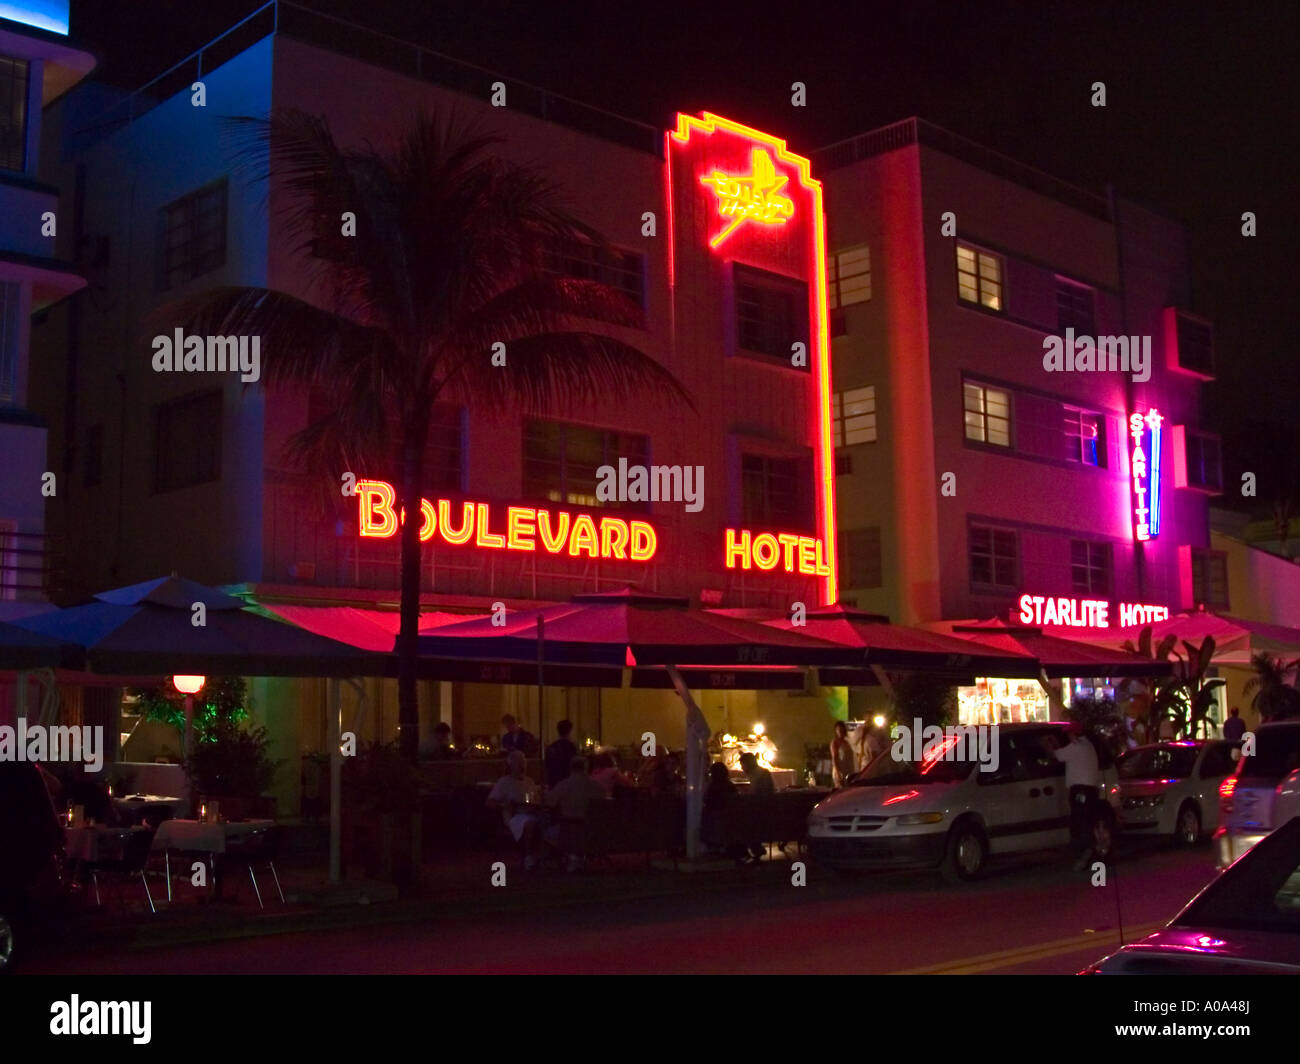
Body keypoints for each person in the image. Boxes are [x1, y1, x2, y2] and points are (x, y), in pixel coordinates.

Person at [544, 756, 607, 871]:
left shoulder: (563, 785)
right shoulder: (597, 787)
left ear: (570, 768)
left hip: (567, 831)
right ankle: (579, 857)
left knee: (546, 829)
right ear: (586, 768)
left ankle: (568, 858)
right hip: (592, 831)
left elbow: (549, 803)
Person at [1052, 723, 1101, 870]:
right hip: (1091, 790)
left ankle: (1083, 853)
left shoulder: (1076, 747)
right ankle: (1091, 851)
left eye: (1069, 734)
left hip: (1081, 791)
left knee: (1079, 823)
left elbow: (1058, 755)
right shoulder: (1088, 746)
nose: (1068, 737)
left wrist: (1047, 746)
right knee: (1088, 821)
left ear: (1074, 735)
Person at [486, 750, 541, 868]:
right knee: (529, 823)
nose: (522, 766)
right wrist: (504, 806)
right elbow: (490, 802)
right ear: (511, 765)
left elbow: (537, 800)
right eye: (519, 763)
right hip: (514, 816)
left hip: (531, 812)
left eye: (524, 762)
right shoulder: (504, 782)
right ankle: (528, 856)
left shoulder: (529, 781)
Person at [702, 761, 743, 858]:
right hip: (730, 817)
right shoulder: (730, 785)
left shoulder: (713, 786)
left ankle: (711, 845)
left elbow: (710, 803)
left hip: (717, 817)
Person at [738, 752, 774, 861]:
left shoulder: (757, 775)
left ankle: (750, 848)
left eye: (743, 765)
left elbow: (754, 794)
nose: (741, 768)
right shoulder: (762, 772)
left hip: (760, 809)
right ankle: (754, 848)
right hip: (766, 807)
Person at [544, 720, 579, 787]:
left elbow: (547, 766)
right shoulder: (572, 748)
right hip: (568, 784)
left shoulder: (552, 747)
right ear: (570, 732)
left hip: (554, 783)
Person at [831, 722, 856, 787]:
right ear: (836, 731)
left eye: (842, 730)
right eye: (839, 730)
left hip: (848, 770)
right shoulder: (835, 742)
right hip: (840, 770)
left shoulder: (847, 742)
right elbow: (834, 757)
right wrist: (837, 772)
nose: (840, 732)